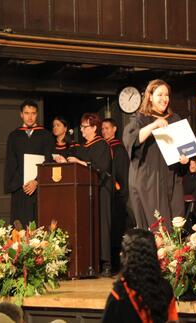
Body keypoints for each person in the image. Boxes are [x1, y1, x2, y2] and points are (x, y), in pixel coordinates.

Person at [123, 80, 188, 229]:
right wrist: (154, 125)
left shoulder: (174, 119)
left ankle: (172, 252)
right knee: (154, 227)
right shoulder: (140, 118)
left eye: (167, 95)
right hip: (148, 181)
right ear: (150, 96)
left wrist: (185, 159)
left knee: (174, 225)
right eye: (160, 94)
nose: (164, 99)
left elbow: (184, 150)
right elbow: (131, 140)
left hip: (171, 180)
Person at [67, 113, 113, 276]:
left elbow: (101, 167)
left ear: (94, 128)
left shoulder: (101, 145)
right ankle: (89, 261)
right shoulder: (82, 147)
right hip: (84, 193)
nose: (82, 130)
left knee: (102, 225)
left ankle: (106, 262)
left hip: (101, 191)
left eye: (85, 127)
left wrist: (78, 162)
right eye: (81, 127)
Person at [102, 228, 178, 323]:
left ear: (129, 256)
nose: (120, 253)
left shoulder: (121, 293)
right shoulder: (166, 288)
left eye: (124, 250)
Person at [4, 99, 54, 226]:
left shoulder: (46, 135)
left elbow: (48, 161)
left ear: (37, 114)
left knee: (38, 223)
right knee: (19, 225)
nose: (30, 117)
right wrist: (21, 182)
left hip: (39, 188)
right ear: (21, 114)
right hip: (20, 188)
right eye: (26, 113)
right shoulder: (14, 136)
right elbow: (11, 163)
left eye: (33, 113)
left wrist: (37, 181)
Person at [102, 118, 132, 270]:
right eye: (102, 128)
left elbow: (121, 173)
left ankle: (118, 264)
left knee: (118, 229)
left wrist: (118, 188)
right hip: (109, 194)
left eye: (107, 128)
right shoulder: (104, 147)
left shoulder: (118, 148)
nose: (104, 131)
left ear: (114, 129)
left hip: (118, 195)